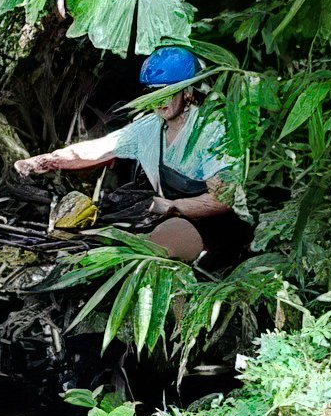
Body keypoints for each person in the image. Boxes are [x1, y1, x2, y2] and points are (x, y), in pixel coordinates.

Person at [13, 44, 251, 266]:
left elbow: (223, 200)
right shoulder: (147, 128)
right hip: (172, 218)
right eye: (152, 92)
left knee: (145, 255)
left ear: (187, 92)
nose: (158, 100)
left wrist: (173, 206)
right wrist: (47, 160)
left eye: (165, 91)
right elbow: (98, 149)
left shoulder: (212, 129)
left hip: (219, 228)